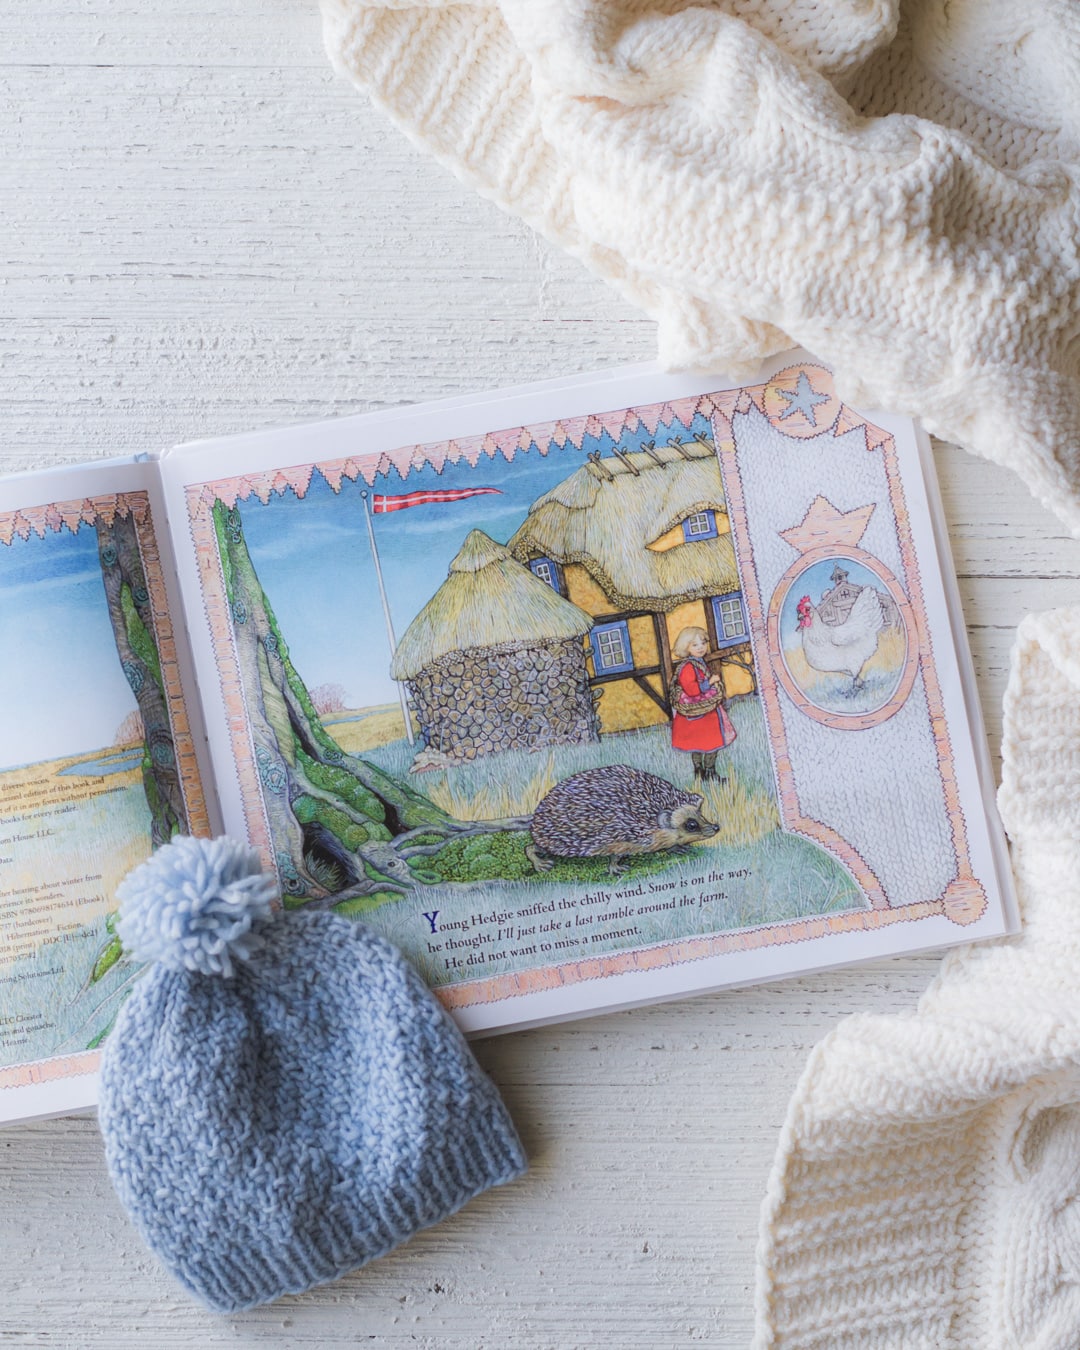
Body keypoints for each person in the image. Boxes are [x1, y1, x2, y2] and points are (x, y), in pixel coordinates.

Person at [670, 626, 736, 780]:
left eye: (703, 643)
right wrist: (710, 682)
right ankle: (705, 773)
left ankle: (707, 773)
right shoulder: (687, 667)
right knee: (707, 744)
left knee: (703, 744)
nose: (700, 647)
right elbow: (692, 690)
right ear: (685, 647)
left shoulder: (698, 663)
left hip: (705, 713)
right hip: (699, 714)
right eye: (695, 645)